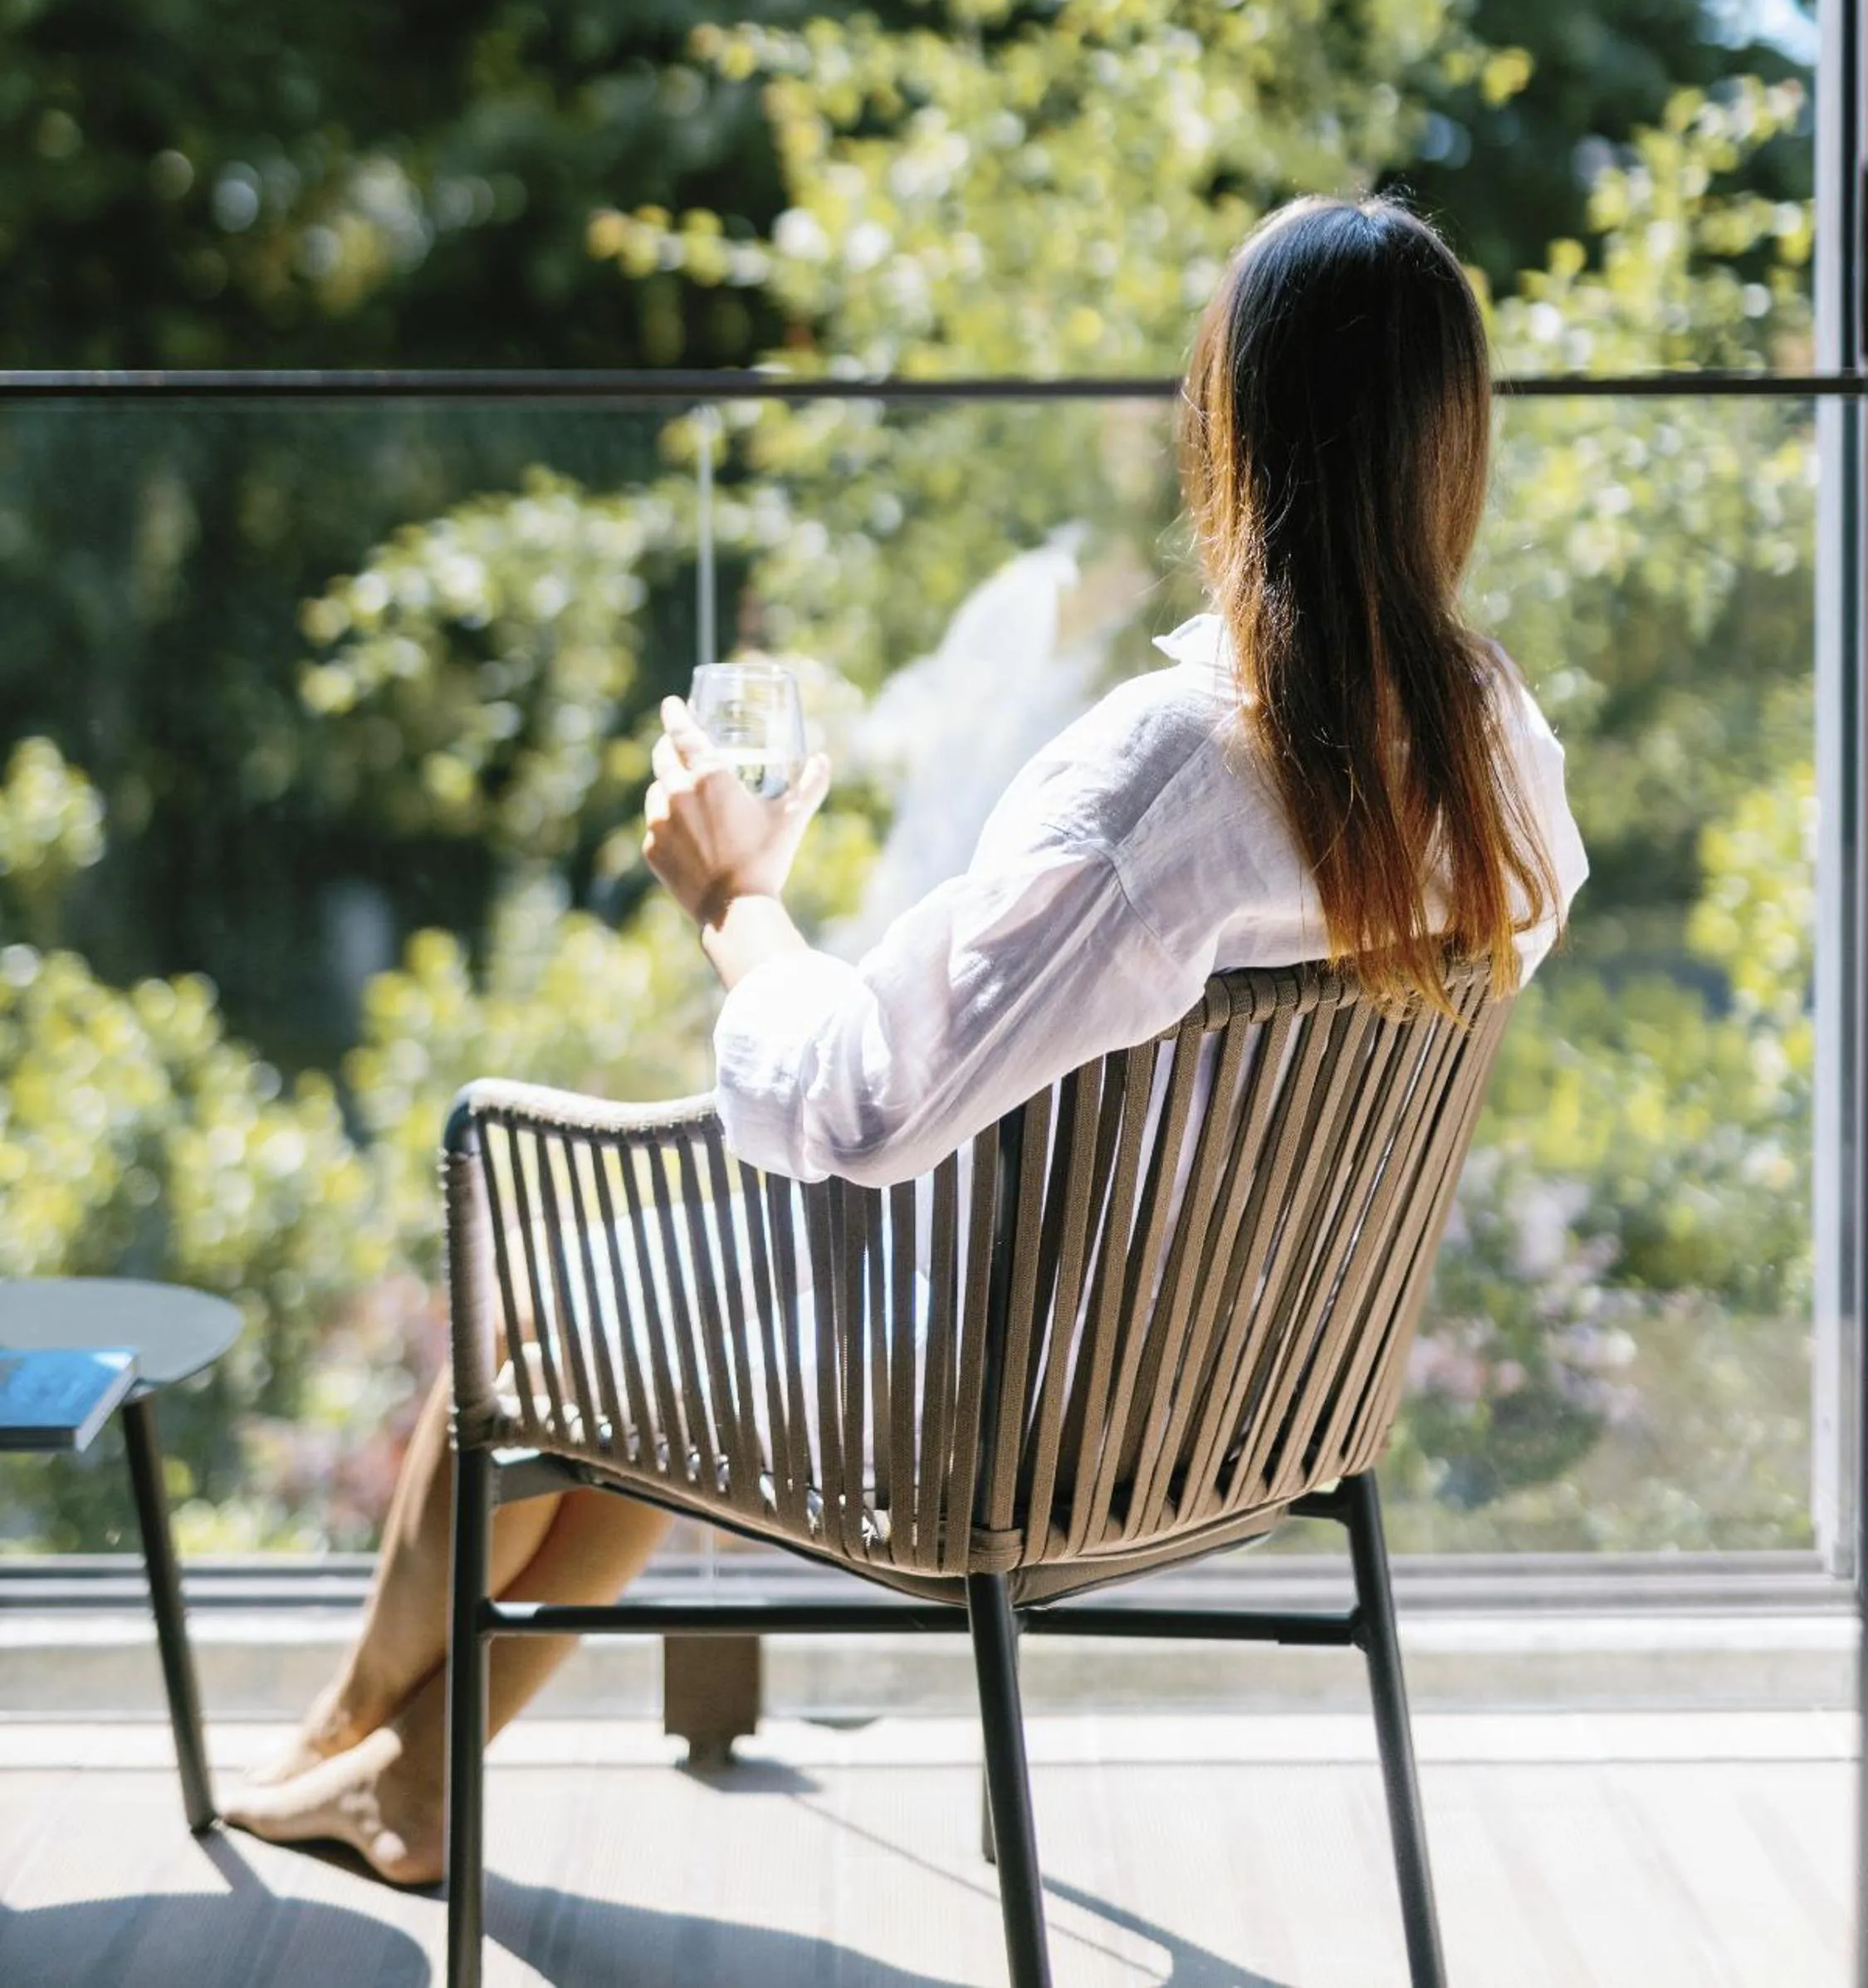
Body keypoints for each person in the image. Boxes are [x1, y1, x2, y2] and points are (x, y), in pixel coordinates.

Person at [224, 193, 1588, 1883]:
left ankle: (327, 1745)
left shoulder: (1173, 771)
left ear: (1229, 428)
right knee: (655, 1314)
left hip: (1003, 1423)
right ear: (1452, 450)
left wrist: (736, 898)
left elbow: (865, 1107)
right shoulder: (1498, 749)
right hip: (1251, 1401)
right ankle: (408, 1782)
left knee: (532, 1314)